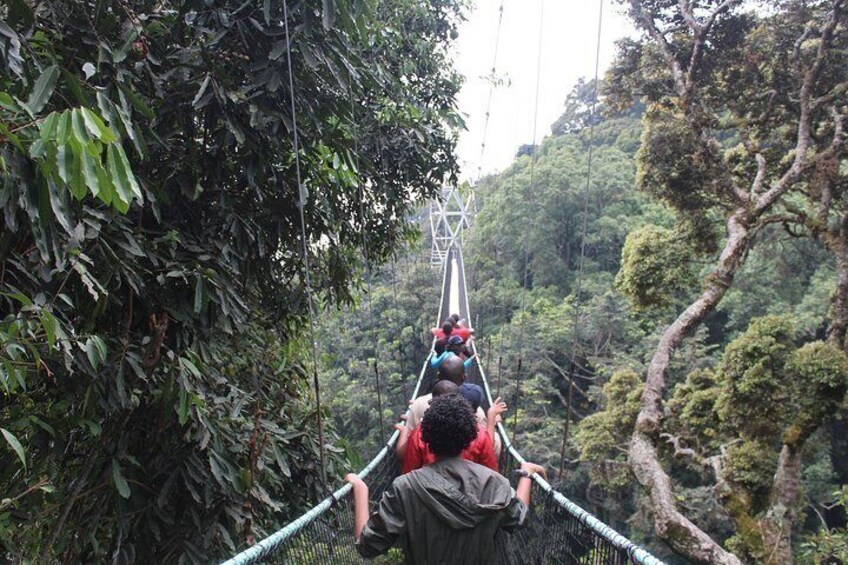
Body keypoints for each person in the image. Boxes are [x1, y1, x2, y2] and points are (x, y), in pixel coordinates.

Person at [346, 394, 547, 564]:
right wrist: (526, 474)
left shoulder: (405, 488)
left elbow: (367, 546)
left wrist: (361, 489)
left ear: (424, 437)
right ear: (470, 436)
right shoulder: (495, 483)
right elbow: (519, 517)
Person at [405, 357, 502, 457]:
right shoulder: (475, 411)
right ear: (464, 377)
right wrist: (492, 419)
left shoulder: (417, 405)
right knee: (496, 438)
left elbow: (404, 450)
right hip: (467, 467)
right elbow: (486, 446)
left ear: (438, 376)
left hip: (424, 464)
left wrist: (405, 428)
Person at [401, 386, 497, 474]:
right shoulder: (480, 435)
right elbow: (491, 473)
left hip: (427, 489)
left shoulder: (419, 433)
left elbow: (409, 472)